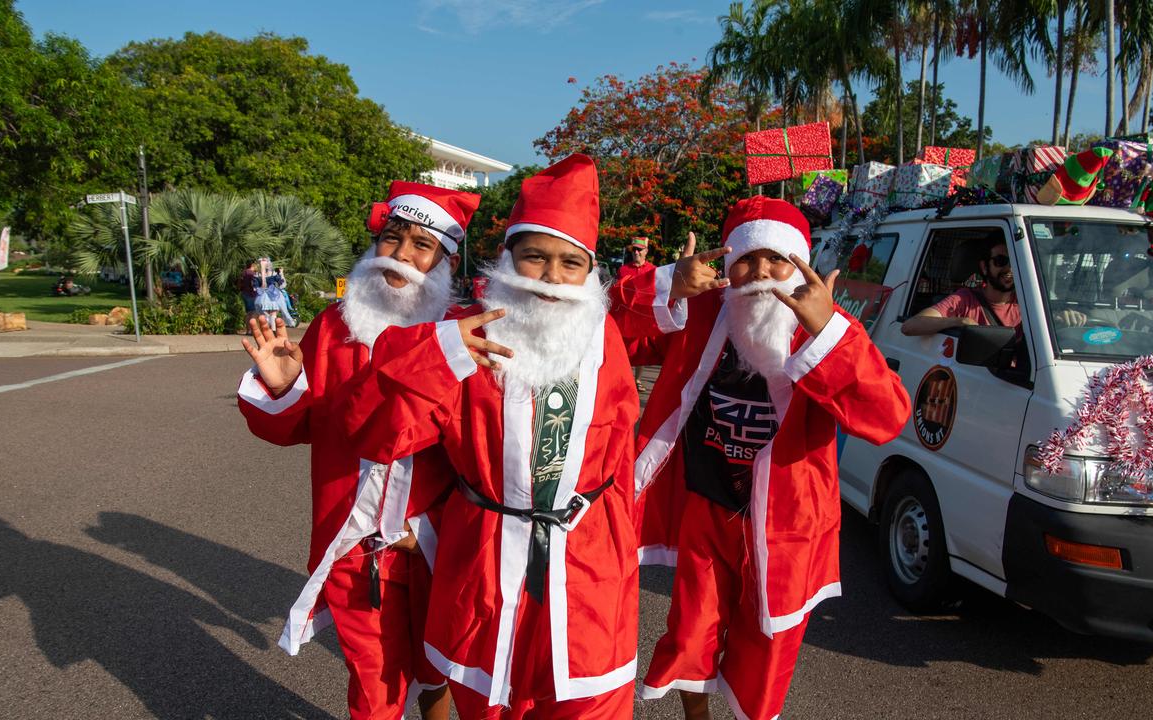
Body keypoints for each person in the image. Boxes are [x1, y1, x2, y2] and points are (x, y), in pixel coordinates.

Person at [338, 154, 640, 719]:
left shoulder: (608, 340)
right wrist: (441, 356)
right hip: (483, 562)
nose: (550, 277)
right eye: (535, 257)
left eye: (569, 263)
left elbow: (621, 455)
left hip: (589, 571)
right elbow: (375, 432)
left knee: (588, 702)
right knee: (488, 701)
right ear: (508, 259)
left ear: (590, 272)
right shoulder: (459, 338)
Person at [612, 197, 911, 720]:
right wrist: (665, 284)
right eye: (746, 259)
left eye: (777, 258)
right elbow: (611, 333)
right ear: (727, 264)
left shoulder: (820, 323)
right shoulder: (703, 310)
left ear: (799, 262)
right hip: (706, 506)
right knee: (690, 633)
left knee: (769, 648)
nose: (760, 273)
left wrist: (828, 332)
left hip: (787, 523)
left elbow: (887, 417)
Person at [237, 181, 481, 720]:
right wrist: (284, 386)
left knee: (438, 671)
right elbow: (300, 426)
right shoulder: (334, 329)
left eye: (422, 245)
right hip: (354, 540)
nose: (402, 256)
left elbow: (479, 448)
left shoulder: (458, 336)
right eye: (393, 239)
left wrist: (433, 527)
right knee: (374, 686)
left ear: (445, 261)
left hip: (435, 540)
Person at [900, 237, 1022, 335]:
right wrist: (959, 321)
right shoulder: (964, 299)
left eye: (1014, 261)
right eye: (1000, 261)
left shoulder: (1028, 303)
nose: (1009, 268)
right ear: (984, 267)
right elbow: (910, 326)